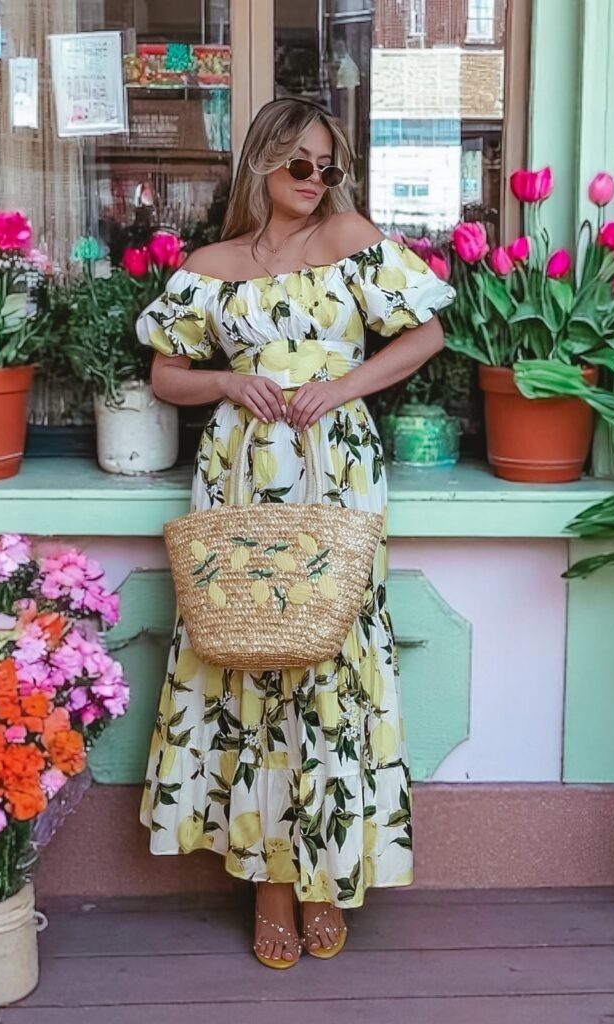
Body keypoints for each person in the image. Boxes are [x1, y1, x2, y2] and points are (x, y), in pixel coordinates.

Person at [136, 97, 455, 969]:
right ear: (262, 164)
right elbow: (167, 374)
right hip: (239, 473)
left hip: (335, 470)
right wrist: (229, 387)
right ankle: (268, 886)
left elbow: (425, 333)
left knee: (327, 661)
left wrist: (345, 385)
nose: (315, 182)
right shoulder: (213, 265)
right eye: (300, 165)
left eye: (328, 167)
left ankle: (320, 876)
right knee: (248, 659)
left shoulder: (350, 240)